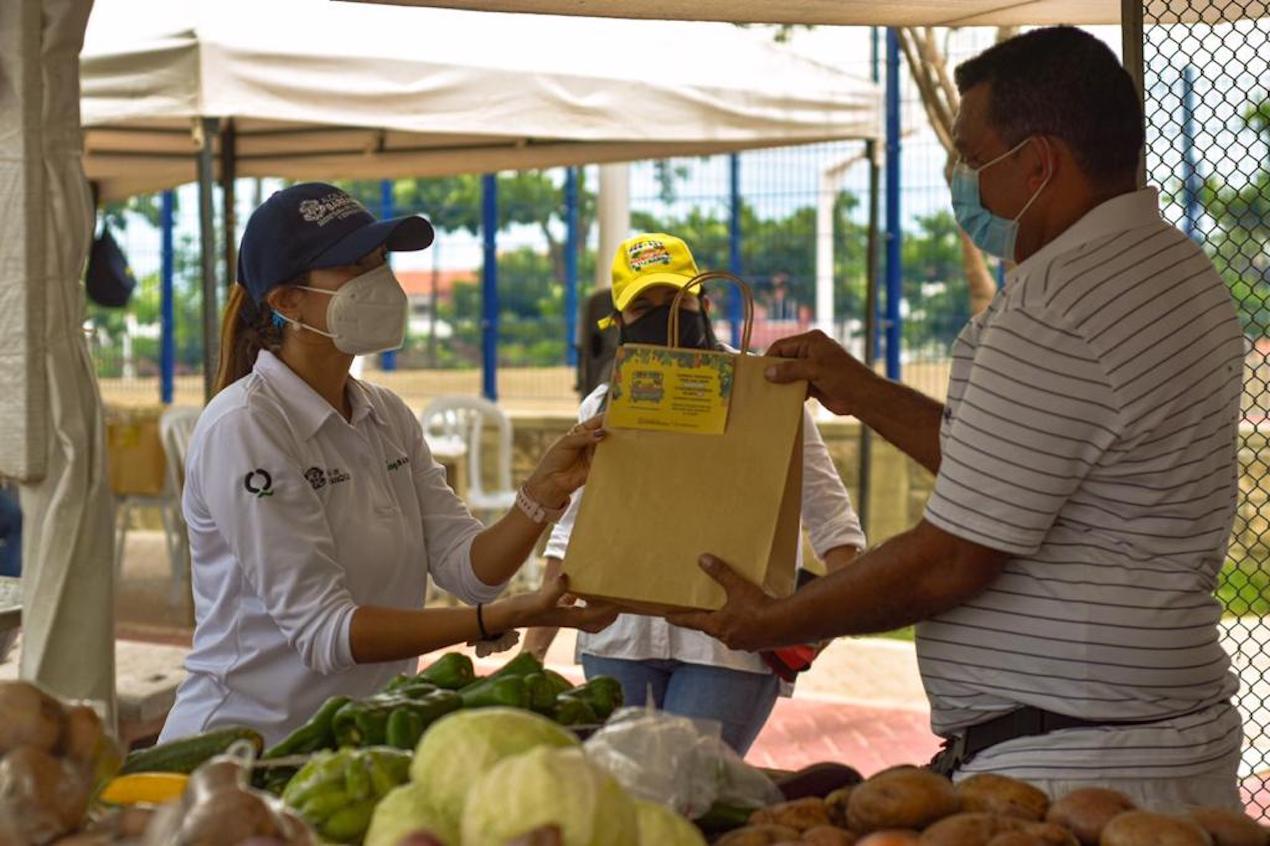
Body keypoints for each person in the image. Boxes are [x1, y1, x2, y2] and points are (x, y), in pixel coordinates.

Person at [671, 27, 1247, 809]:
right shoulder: (1175, 271)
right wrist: (864, 391)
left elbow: (953, 559)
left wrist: (772, 619)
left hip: (1076, 764)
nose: (964, 183)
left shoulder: (1057, 309)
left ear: (1039, 164)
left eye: (974, 160)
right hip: (1145, 735)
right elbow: (1012, 470)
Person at [161, 183, 616, 745]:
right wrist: (502, 617)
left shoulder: (386, 414)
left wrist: (543, 494)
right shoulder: (246, 426)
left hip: (353, 742)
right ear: (286, 301)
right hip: (246, 750)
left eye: (381, 261)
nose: (380, 281)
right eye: (354, 266)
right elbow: (327, 631)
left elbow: (468, 571)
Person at [521, 233, 865, 754]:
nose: (663, 315)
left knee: (690, 798)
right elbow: (577, 527)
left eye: (675, 301)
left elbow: (834, 522)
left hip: (729, 647)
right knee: (621, 795)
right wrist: (534, 650)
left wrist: (814, 627)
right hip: (617, 636)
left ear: (704, 303)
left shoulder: (769, 395)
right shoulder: (602, 403)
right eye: (643, 305)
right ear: (617, 323)